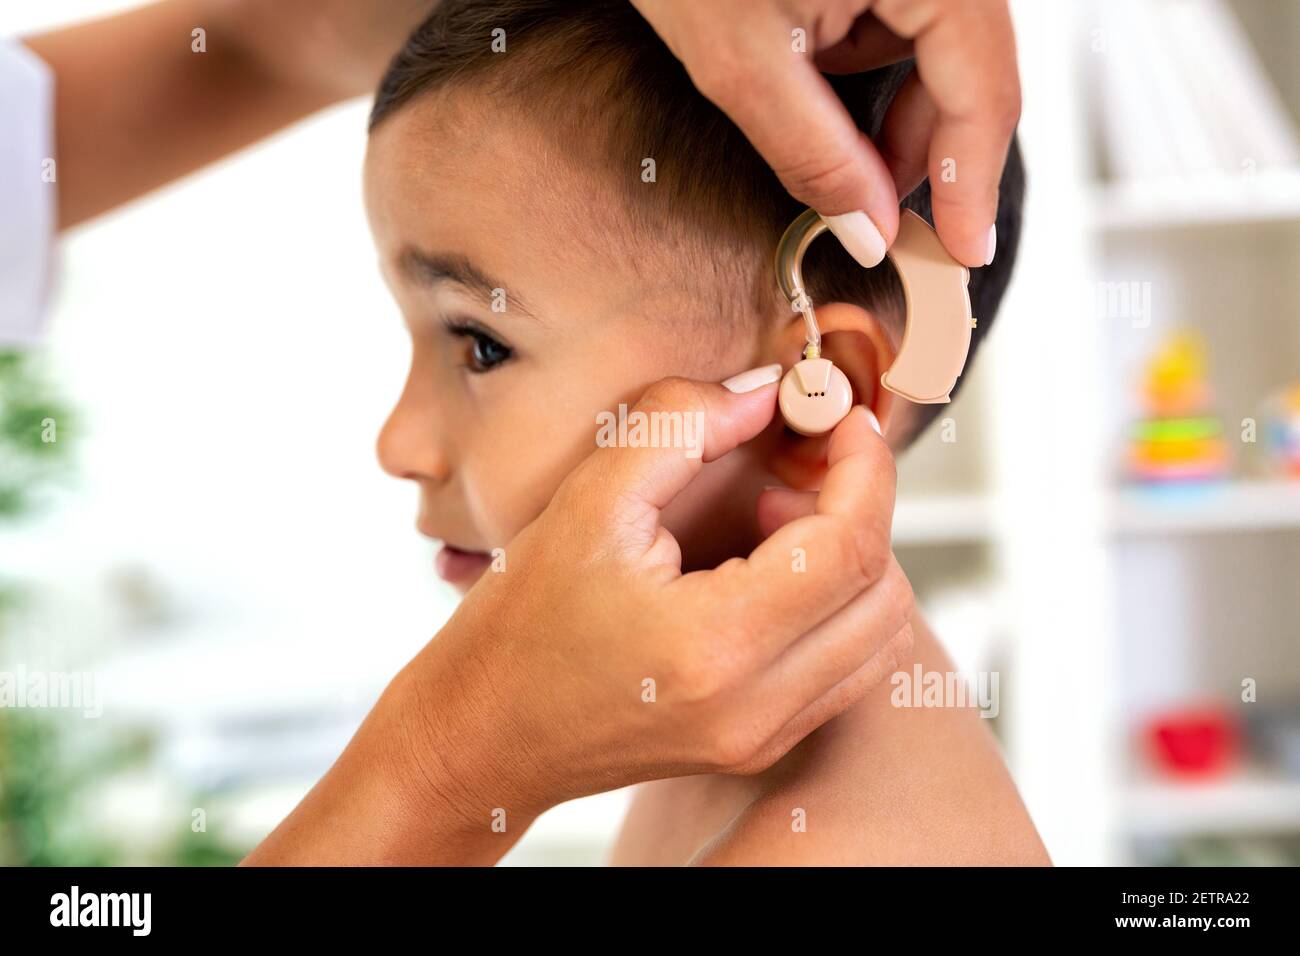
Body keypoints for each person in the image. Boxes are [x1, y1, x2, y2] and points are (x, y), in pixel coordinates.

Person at [1, 0, 1025, 865]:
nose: (399, 443)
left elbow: (247, 46)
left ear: (821, 389)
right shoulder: (728, 775)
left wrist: (449, 768)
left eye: (478, 344)